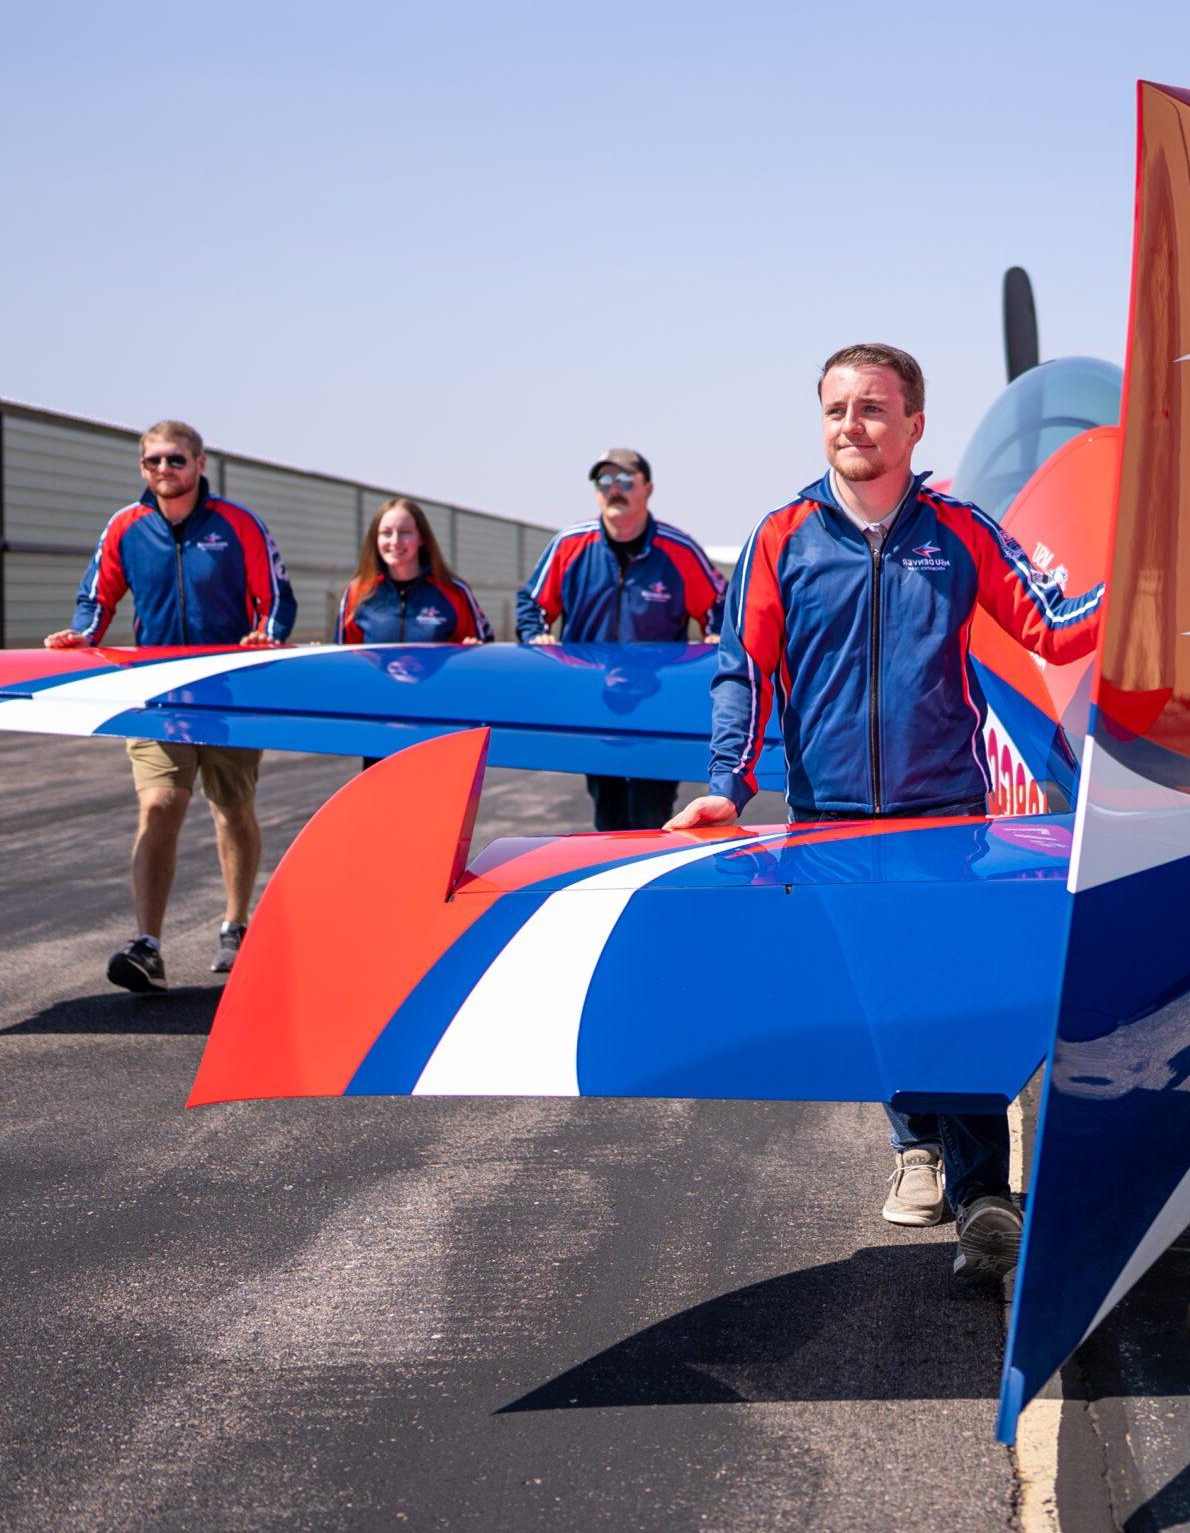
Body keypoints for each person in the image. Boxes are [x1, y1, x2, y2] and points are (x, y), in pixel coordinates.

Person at [666, 343, 1102, 1283]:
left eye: (872, 409)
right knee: (881, 994)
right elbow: (745, 671)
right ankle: (918, 1147)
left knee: (960, 993)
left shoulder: (960, 532)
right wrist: (726, 785)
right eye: (836, 410)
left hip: (946, 810)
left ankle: (986, 1195)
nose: (852, 426)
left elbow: (1055, 625)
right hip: (828, 814)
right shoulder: (782, 537)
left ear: (914, 425)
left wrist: (1146, 589)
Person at [44, 420, 297, 990]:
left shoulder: (238, 525)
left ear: (200, 463)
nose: (165, 470)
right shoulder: (126, 527)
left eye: (176, 460)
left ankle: (236, 924)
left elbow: (277, 598)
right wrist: (83, 634)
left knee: (231, 808)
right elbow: (96, 595)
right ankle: (148, 945)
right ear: (142, 468)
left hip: (230, 690)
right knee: (159, 804)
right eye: (154, 461)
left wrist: (266, 634)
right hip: (155, 692)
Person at [516, 448, 725, 830]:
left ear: (647, 488)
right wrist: (536, 637)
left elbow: (721, 605)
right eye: (605, 481)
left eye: (626, 481)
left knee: (652, 815)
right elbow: (531, 603)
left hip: (659, 709)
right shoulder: (569, 545)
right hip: (596, 707)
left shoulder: (679, 550)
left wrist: (715, 635)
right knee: (607, 816)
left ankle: (651, 887)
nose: (615, 490)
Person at [338, 497, 492, 646]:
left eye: (405, 532)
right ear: (375, 539)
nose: (395, 541)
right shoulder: (357, 592)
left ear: (422, 538)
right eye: (386, 533)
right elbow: (343, 660)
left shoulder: (455, 592)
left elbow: (483, 652)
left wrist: (474, 647)